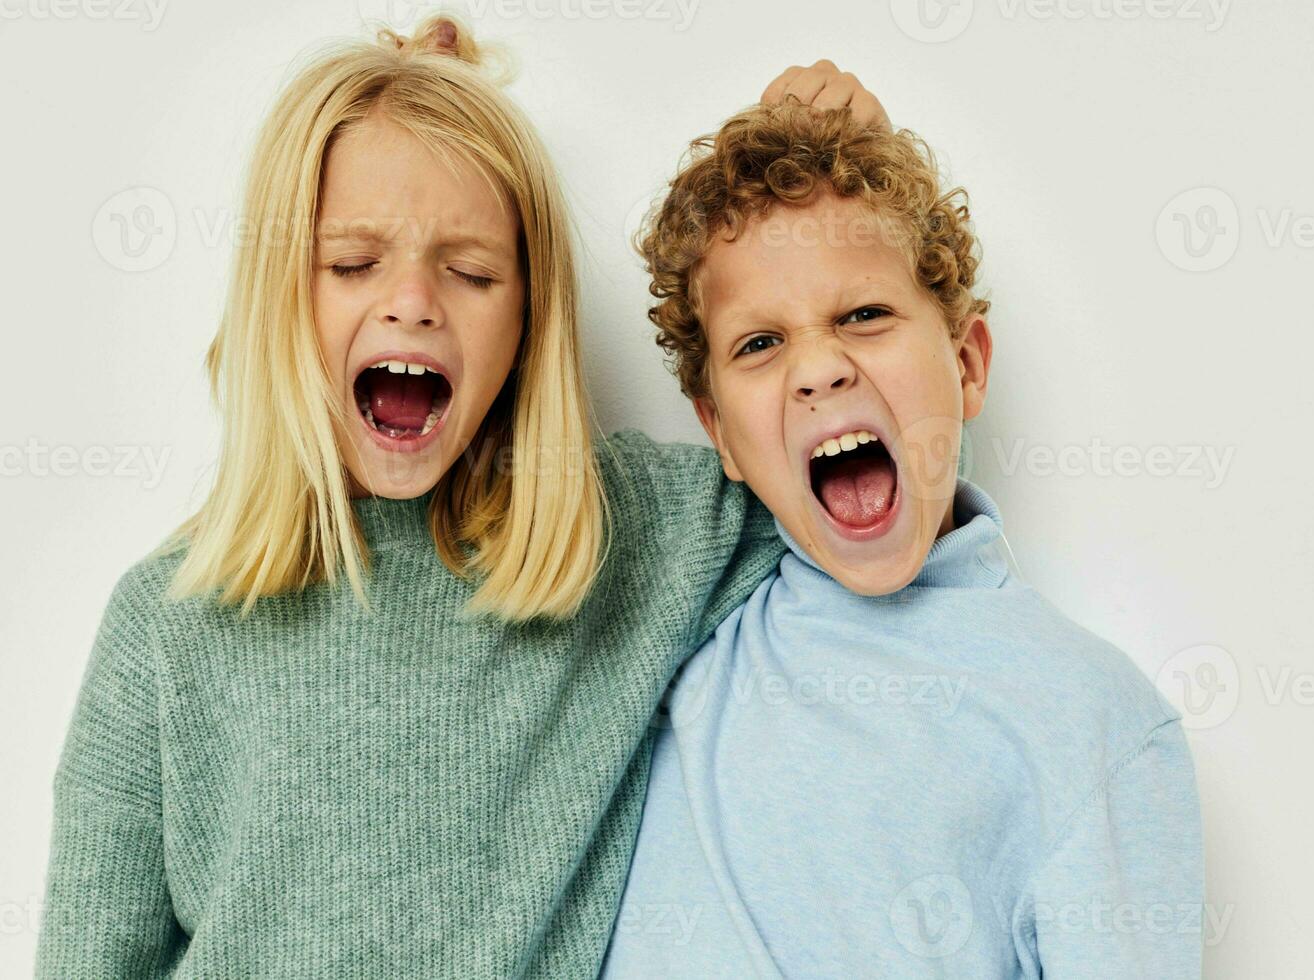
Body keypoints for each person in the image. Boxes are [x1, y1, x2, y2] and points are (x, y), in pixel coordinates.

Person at [36, 15, 886, 978]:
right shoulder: (163, 627)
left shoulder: (629, 538)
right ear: (281, 293)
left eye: (472, 271)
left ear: (528, 317)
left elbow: (878, 494)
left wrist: (830, 202)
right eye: (354, 265)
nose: (413, 302)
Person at [600, 102, 1205, 978]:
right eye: (761, 342)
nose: (819, 368)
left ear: (966, 364)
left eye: (865, 316)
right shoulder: (683, 618)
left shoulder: (1090, 719)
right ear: (720, 433)